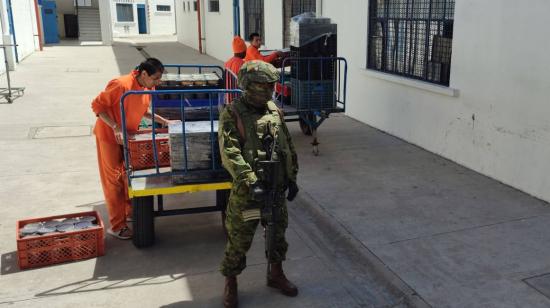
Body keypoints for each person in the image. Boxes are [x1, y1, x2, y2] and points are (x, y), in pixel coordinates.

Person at [218, 60, 300, 308]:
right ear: (247, 85)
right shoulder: (232, 113)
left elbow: (287, 145)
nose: (269, 90)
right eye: (262, 85)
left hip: (275, 190)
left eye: (271, 85)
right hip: (249, 195)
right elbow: (230, 153)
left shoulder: (274, 110)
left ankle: (276, 274)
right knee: (240, 239)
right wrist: (251, 181)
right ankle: (231, 283)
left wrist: (292, 178)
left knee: (277, 234)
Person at [91, 58, 172, 240]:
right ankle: (117, 225)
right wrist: (115, 126)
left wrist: (165, 122)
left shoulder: (146, 88)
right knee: (113, 181)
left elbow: (143, 110)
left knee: (128, 176)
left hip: (128, 137)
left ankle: (129, 213)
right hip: (109, 138)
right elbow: (97, 106)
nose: (158, 82)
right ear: (144, 74)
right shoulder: (120, 84)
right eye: (156, 78)